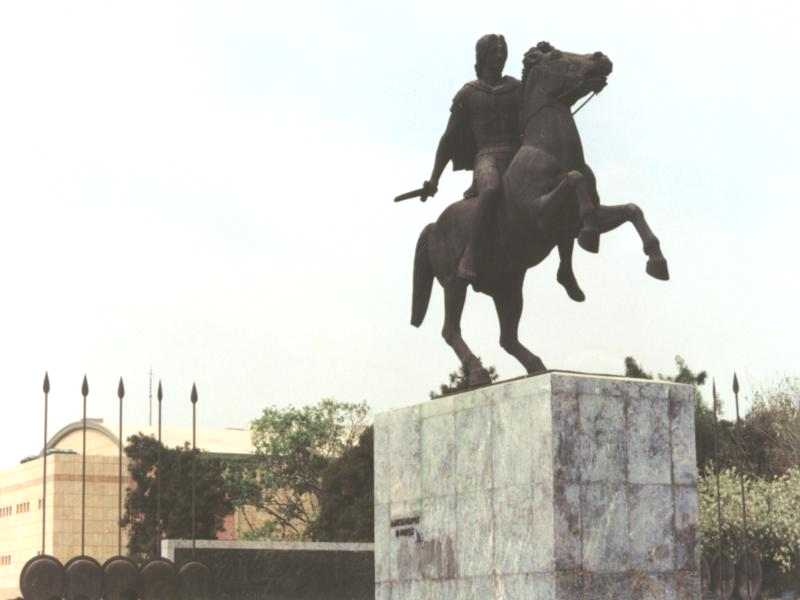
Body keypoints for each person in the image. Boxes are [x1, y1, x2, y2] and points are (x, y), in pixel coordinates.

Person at [422, 34, 585, 301]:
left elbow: (545, 101)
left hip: (520, 156)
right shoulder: (468, 94)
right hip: (488, 157)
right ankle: (471, 256)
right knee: (491, 190)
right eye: (494, 51)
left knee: (563, 188)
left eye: (503, 51)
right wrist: (434, 180)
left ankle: (565, 267)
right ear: (482, 56)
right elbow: (449, 139)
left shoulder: (517, 88)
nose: (500, 56)